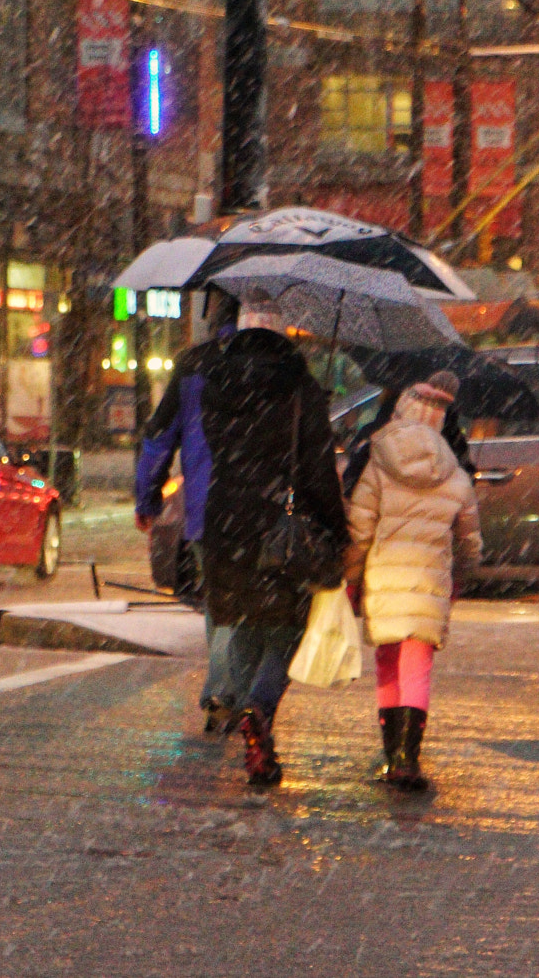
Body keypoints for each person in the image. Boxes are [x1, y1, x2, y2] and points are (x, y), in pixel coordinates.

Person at [194, 293, 349, 786]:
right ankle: (259, 713)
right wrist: (335, 530)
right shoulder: (300, 385)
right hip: (281, 523)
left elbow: (218, 446)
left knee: (240, 621)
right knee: (285, 628)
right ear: (282, 333)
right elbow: (319, 471)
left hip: (224, 521)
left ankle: (246, 713)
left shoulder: (214, 380)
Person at [342, 372, 482, 792]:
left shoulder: (377, 463)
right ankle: (409, 756)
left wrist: (349, 575)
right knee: (417, 668)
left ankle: (392, 754)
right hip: (429, 580)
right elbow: (470, 539)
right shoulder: (455, 474)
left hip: (385, 578)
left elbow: (360, 529)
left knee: (388, 664)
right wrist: (466, 571)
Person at [136, 288, 241, 733]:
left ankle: (222, 689)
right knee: (254, 608)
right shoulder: (282, 365)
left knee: (220, 603)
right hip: (266, 507)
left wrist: (148, 498)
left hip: (206, 509)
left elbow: (160, 436)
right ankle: (239, 690)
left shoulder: (194, 365)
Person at [340, 384, 472, 496]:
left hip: (387, 523)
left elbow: (353, 486)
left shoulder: (376, 437)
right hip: (436, 524)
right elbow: (466, 493)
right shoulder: (450, 444)